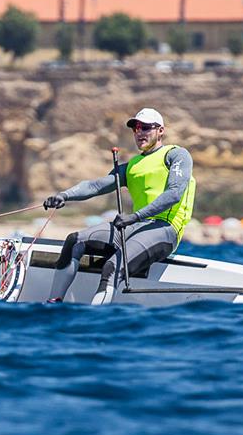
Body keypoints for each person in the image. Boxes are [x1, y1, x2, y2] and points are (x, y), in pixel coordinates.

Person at [42, 108, 196, 302]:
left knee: (112, 265)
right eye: (135, 128)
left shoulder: (177, 155)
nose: (139, 132)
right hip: (133, 226)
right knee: (75, 240)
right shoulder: (132, 166)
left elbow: (174, 194)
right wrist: (64, 195)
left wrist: (135, 216)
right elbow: (95, 185)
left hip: (164, 229)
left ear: (160, 131)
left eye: (146, 127)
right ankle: (53, 305)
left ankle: (99, 319)